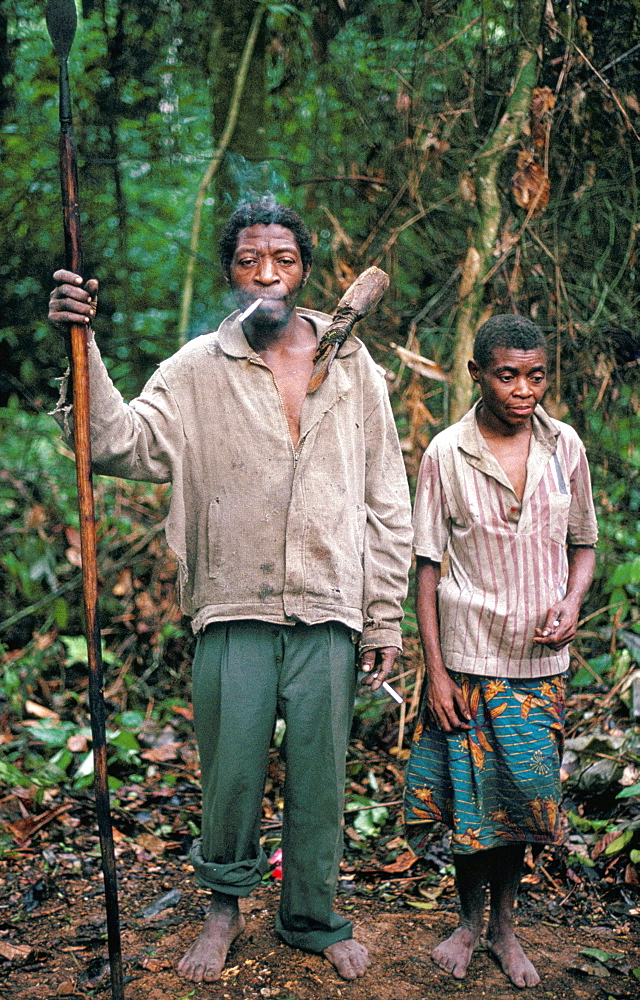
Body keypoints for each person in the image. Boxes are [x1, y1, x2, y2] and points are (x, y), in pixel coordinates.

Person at [48, 198, 413, 983]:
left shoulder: (351, 365)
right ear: (230, 273)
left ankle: (312, 915)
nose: (267, 274)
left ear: (304, 268)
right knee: (232, 775)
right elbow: (117, 443)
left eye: (282, 258)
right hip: (231, 604)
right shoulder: (194, 368)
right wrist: (82, 342)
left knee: (320, 775)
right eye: (249, 260)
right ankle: (223, 909)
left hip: (329, 605)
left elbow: (386, 497)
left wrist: (383, 616)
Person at [403, 314, 597, 989]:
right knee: (468, 802)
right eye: (507, 375)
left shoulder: (563, 445)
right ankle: (464, 922)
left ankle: (504, 929)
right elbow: (426, 567)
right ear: (477, 374)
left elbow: (583, 545)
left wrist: (570, 602)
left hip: (538, 665)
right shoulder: (444, 453)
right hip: (465, 658)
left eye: (535, 375)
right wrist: (434, 672)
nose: (523, 390)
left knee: (521, 798)